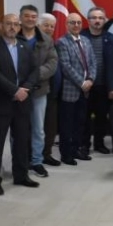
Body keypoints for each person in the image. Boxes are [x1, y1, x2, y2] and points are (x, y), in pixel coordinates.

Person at [0, 13, 40, 192]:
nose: (12, 27)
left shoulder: (25, 46)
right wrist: (14, 91)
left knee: (22, 140)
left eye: (16, 24)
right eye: (8, 23)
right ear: (1, 26)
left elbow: (35, 70)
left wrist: (26, 89)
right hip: (2, 102)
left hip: (22, 102)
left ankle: (21, 175)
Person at [18, 5, 58, 178]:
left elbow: (52, 63)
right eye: (27, 16)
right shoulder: (13, 37)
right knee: (19, 129)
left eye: (33, 16)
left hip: (39, 90)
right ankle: (20, 161)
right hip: (18, 91)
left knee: (38, 129)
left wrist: (34, 76)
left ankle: (37, 161)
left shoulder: (46, 40)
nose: (30, 19)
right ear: (21, 18)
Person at [56, 13, 97, 165]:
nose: (76, 25)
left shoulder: (86, 40)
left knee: (80, 123)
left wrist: (91, 79)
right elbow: (66, 66)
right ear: (66, 25)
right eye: (72, 22)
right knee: (67, 124)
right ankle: (66, 154)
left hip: (86, 90)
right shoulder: (62, 42)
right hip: (70, 90)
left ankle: (76, 150)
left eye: (79, 22)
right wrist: (82, 82)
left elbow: (93, 62)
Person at [81, 6, 111, 155]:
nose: (97, 20)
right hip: (84, 85)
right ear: (88, 20)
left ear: (104, 20)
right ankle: (84, 144)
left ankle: (99, 143)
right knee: (84, 117)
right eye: (94, 17)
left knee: (101, 116)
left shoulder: (110, 38)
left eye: (100, 18)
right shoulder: (81, 36)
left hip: (103, 84)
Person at [38, 14, 63, 167]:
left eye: (52, 26)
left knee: (51, 127)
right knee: (37, 128)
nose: (49, 29)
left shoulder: (53, 43)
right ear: (38, 26)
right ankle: (34, 157)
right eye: (46, 25)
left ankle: (46, 154)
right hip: (40, 92)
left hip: (54, 94)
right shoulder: (35, 43)